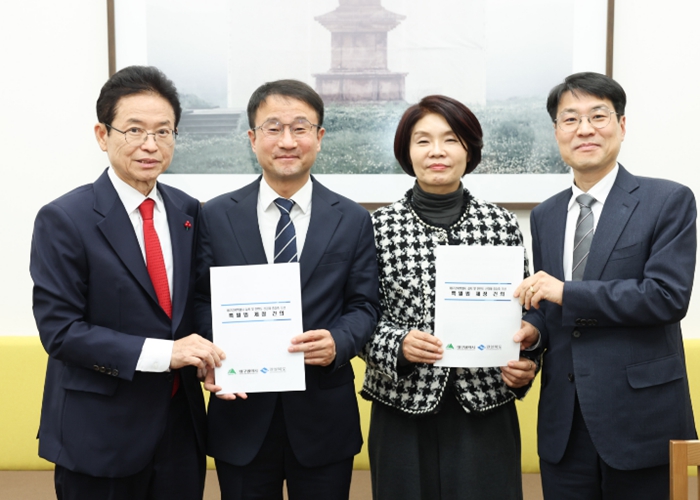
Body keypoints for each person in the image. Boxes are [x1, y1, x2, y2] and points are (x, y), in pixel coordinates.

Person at [30, 66, 224, 500]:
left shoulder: (189, 212)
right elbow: (61, 332)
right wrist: (166, 353)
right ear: (103, 135)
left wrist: (219, 355)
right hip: (98, 434)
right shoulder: (64, 218)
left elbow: (197, 301)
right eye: (134, 130)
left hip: (179, 431)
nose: (150, 145)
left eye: (163, 131)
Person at [513, 72, 697, 499]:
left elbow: (666, 297)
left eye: (598, 116)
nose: (585, 129)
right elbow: (551, 309)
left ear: (622, 125)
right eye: (570, 119)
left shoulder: (667, 200)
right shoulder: (545, 215)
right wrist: (532, 334)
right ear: (557, 132)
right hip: (564, 421)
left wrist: (566, 292)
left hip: (640, 418)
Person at [195, 79, 381, 500]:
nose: (287, 141)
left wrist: (338, 341)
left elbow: (364, 305)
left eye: (300, 128)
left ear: (319, 137)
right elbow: (201, 299)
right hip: (240, 412)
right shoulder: (216, 215)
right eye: (273, 128)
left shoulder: (352, 219)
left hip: (323, 418)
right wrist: (217, 351)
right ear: (252, 138)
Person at [360, 94, 538, 500]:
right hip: (402, 406)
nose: (437, 151)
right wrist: (397, 345)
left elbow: (527, 312)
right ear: (407, 152)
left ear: (469, 150)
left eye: (451, 139)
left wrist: (527, 361)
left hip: (486, 405)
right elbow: (359, 315)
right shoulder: (377, 227)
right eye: (423, 140)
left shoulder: (501, 224)